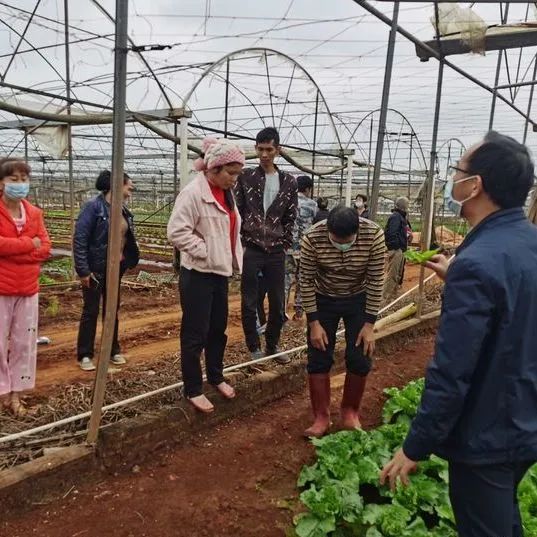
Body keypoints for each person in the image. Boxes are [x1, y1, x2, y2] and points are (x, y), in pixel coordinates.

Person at [380, 131, 537, 537]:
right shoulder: (526, 244)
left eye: (458, 171)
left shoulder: (478, 263)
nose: (454, 179)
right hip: (525, 415)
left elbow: (452, 371)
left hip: (488, 433)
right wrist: (462, 281)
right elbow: (516, 309)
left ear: (475, 185)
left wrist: (415, 446)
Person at [167, 138, 244, 413]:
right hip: (198, 274)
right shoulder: (193, 193)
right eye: (231, 173)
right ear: (214, 168)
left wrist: (225, 257)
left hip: (219, 273)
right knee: (194, 332)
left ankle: (215, 376)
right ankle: (193, 388)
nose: (235, 179)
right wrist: (206, 251)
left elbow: (229, 228)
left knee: (217, 329)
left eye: (237, 173)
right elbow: (176, 231)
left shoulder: (227, 193)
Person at [300, 206, 385, 437]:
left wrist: (369, 325)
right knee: (319, 354)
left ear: (357, 231)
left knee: (360, 354)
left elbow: (377, 280)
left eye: (347, 241)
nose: (342, 245)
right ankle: (321, 417)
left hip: (358, 297)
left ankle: (350, 412)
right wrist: (314, 323)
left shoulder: (374, 235)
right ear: (328, 230)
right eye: (336, 240)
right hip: (323, 298)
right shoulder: (312, 238)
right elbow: (306, 281)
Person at [234, 127, 297, 364]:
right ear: (255, 149)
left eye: (269, 149)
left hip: (276, 250)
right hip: (252, 247)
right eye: (260, 149)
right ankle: (254, 347)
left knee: (278, 301)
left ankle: (272, 344)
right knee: (250, 300)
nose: (264, 154)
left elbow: (291, 216)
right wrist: (242, 242)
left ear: (277, 150)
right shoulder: (246, 177)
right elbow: (238, 210)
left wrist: (284, 242)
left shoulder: (288, 181)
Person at [73, 170, 139, 371]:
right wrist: (83, 271)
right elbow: (80, 239)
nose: (131, 188)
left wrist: (126, 260)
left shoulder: (123, 210)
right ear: (117, 185)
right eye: (129, 185)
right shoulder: (93, 207)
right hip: (96, 269)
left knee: (112, 310)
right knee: (91, 310)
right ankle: (85, 354)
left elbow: (126, 239)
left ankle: (112, 349)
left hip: (115, 269)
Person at [0, 158, 51, 416]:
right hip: (1, 288)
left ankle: (15, 396)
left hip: (28, 288)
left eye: (23, 179)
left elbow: (45, 248)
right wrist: (27, 245)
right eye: (13, 179)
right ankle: (2, 393)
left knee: (23, 344)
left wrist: (12, 249)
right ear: (2, 183)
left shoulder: (34, 213)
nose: (19, 184)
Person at [286, 175, 317, 320]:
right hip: (306, 248)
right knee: (303, 280)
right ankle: (299, 312)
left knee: (286, 280)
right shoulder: (312, 205)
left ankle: (282, 313)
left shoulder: (287, 201)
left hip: (288, 248)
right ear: (308, 189)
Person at [383, 196, 412, 301]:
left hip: (401, 249)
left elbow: (405, 231)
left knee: (398, 275)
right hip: (397, 250)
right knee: (393, 275)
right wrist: (396, 247)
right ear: (401, 205)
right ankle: (384, 299)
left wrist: (408, 236)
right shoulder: (396, 217)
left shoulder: (402, 217)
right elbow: (391, 233)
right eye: (406, 204)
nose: (408, 206)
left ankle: (393, 298)